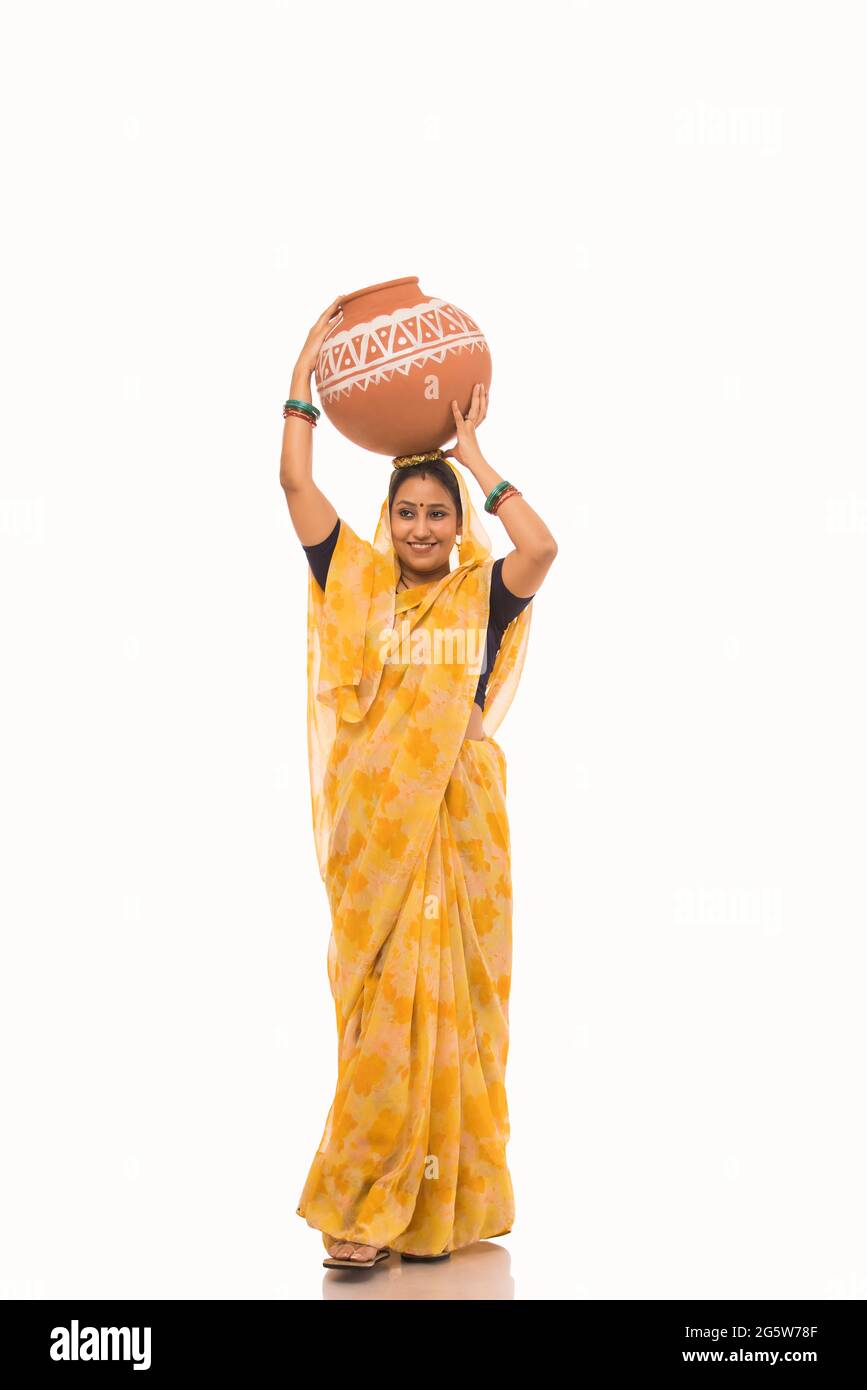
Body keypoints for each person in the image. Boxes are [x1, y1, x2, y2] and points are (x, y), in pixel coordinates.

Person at [280, 296, 558, 1268]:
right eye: (410, 511)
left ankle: (447, 1203)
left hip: (465, 825)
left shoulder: (483, 591)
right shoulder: (354, 586)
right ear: (387, 517)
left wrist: (477, 458)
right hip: (377, 839)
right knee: (379, 1015)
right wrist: (302, 382)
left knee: (463, 1011)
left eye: (439, 513)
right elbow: (294, 485)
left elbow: (542, 547)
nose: (425, 526)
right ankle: (360, 1205)